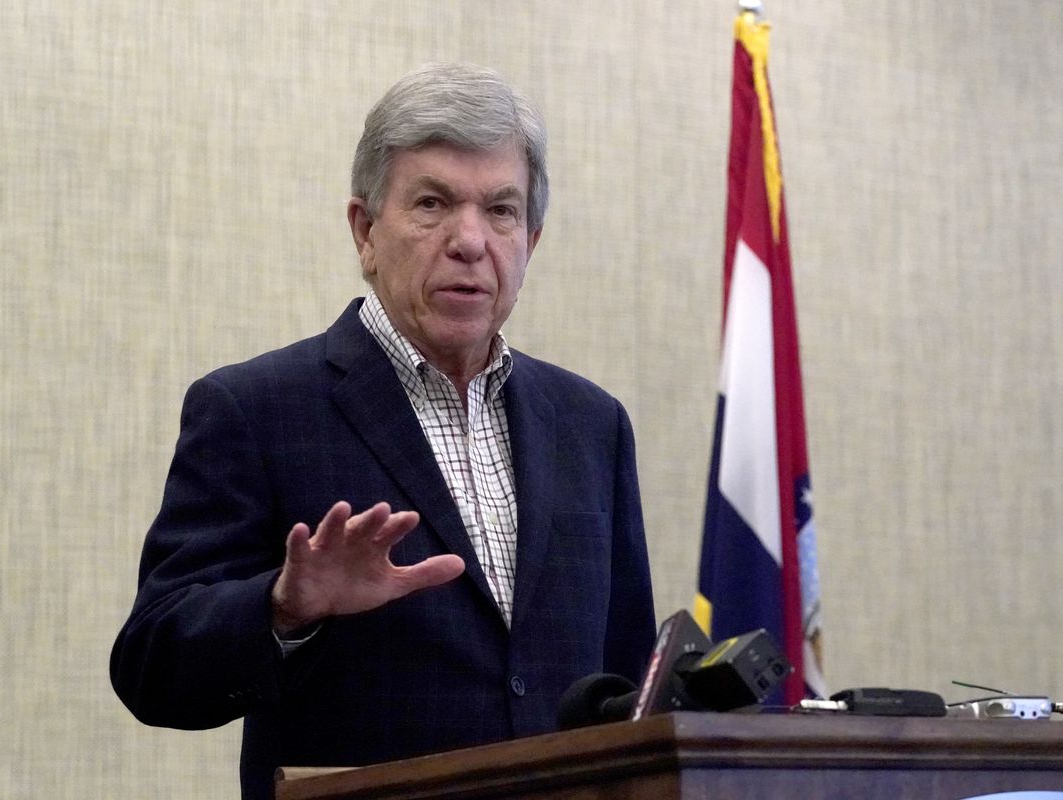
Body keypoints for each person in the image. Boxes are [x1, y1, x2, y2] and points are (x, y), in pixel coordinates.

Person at [110, 62, 656, 800]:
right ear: (365, 231)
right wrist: (283, 606)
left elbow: (624, 688)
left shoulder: (592, 424)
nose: (470, 240)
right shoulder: (255, 409)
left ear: (532, 239)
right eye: (433, 204)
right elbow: (152, 667)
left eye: (500, 210)